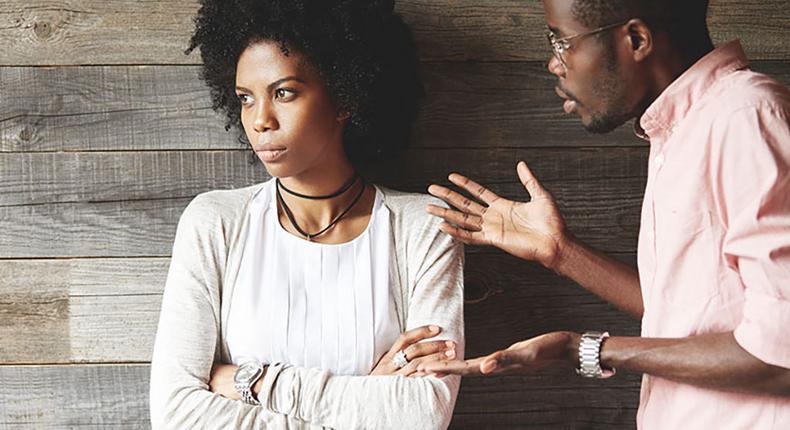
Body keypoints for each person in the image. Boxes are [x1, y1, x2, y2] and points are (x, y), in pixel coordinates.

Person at [421, 0, 790, 428]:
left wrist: (586, 349)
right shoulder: (689, 126)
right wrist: (560, 253)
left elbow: (778, 351)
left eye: (562, 42)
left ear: (636, 39)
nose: (553, 65)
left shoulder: (744, 118)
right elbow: (691, 313)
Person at [148, 0, 464, 428]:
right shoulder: (214, 222)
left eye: (283, 93)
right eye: (245, 98)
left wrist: (254, 382)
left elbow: (423, 415)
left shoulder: (424, 227)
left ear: (344, 97)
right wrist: (366, 399)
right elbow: (175, 414)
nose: (260, 120)